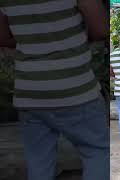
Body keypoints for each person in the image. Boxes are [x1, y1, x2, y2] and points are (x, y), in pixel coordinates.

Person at [0, 1, 109, 180]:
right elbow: (101, 28)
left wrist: (33, 42)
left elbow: (3, 36)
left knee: (38, 161)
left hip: (30, 94)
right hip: (76, 91)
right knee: (97, 151)